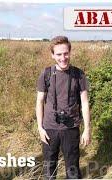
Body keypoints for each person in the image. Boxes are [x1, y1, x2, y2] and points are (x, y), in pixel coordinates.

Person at [36, 36, 91, 179]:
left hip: (71, 128)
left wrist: (87, 129)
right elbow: (39, 101)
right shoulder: (46, 74)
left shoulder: (79, 74)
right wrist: (40, 128)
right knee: (49, 169)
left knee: (72, 170)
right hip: (49, 128)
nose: (63, 58)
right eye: (59, 54)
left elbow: (84, 102)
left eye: (66, 53)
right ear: (52, 55)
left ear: (70, 52)